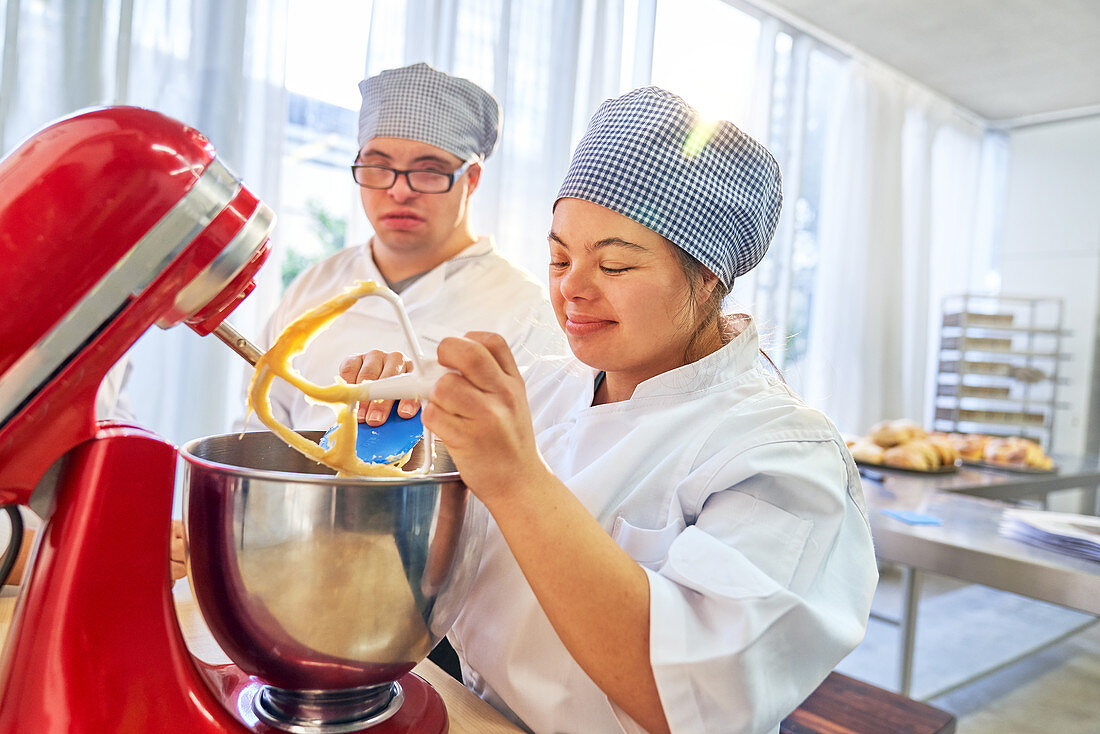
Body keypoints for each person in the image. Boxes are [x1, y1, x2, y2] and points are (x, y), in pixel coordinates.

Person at [341, 87, 877, 734]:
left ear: (708, 276)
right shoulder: (541, 389)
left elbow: (688, 698)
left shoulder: (782, 455)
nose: (571, 287)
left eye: (616, 264)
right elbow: (426, 570)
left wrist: (515, 478)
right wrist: (396, 452)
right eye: (560, 256)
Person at [241, 62, 564, 431]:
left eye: (427, 170)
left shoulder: (526, 310)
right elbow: (258, 427)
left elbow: (537, 458)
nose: (398, 190)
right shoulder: (313, 288)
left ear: (471, 179)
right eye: (378, 166)